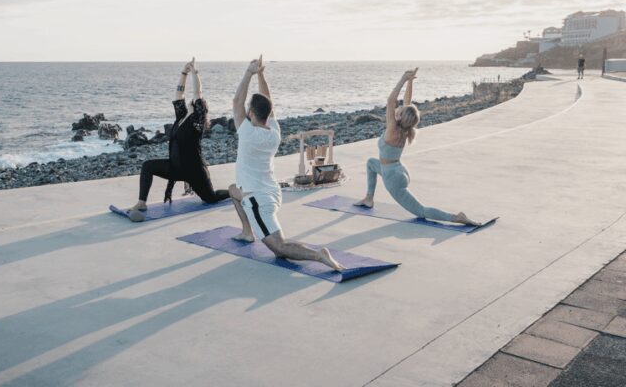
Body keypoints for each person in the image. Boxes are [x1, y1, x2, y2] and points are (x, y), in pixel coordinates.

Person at [228, 56, 344, 271]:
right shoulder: (274, 132)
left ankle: (319, 255)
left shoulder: (247, 134)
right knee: (233, 190)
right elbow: (267, 102)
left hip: (257, 199)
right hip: (272, 192)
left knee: (279, 247)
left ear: (251, 114)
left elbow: (236, 103)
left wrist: (248, 72)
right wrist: (261, 74)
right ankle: (247, 232)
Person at [355, 68, 480, 226]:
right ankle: (369, 198)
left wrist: (402, 79)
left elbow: (390, 101)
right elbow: (407, 103)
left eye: (399, 110)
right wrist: (410, 82)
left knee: (421, 211)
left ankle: (456, 217)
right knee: (371, 163)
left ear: (400, 116)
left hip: (392, 178)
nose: (397, 108)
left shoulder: (392, 128)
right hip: (398, 170)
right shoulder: (406, 129)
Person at [128, 58, 229, 222]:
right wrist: (184, 72)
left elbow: (198, 93)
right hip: (175, 168)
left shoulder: (196, 122)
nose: (194, 101)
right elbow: (179, 93)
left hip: (194, 171)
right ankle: (141, 203)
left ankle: (232, 192)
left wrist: (195, 72)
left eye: (198, 103)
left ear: (200, 108)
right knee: (147, 166)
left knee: (210, 198)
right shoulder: (181, 117)